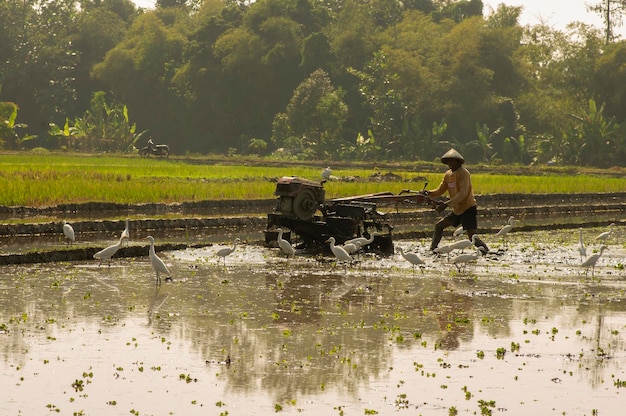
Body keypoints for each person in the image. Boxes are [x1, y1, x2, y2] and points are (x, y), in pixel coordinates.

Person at [424, 148, 489, 253]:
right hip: (456, 210)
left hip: (468, 208)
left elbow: (463, 193)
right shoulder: (448, 175)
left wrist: (447, 204)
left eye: (453, 161)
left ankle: (486, 252)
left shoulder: (464, 173)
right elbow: (440, 190)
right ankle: (433, 249)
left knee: (472, 237)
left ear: (458, 162)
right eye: (448, 161)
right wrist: (429, 193)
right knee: (439, 225)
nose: (450, 164)